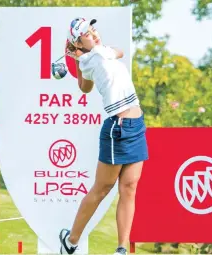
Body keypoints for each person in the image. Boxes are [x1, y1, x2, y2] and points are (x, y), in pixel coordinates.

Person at [58, 17, 148, 255]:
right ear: (78, 43)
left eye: (93, 29)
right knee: (101, 188)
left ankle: (122, 248)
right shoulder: (94, 56)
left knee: (129, 187)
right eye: (87, 33)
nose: (94, 34)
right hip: (117, 129)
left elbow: (85, 86)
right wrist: (78, 58)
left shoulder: (94, 55)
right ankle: (71, 240)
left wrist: (77, 57)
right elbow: (89, 82)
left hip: (136, 124)